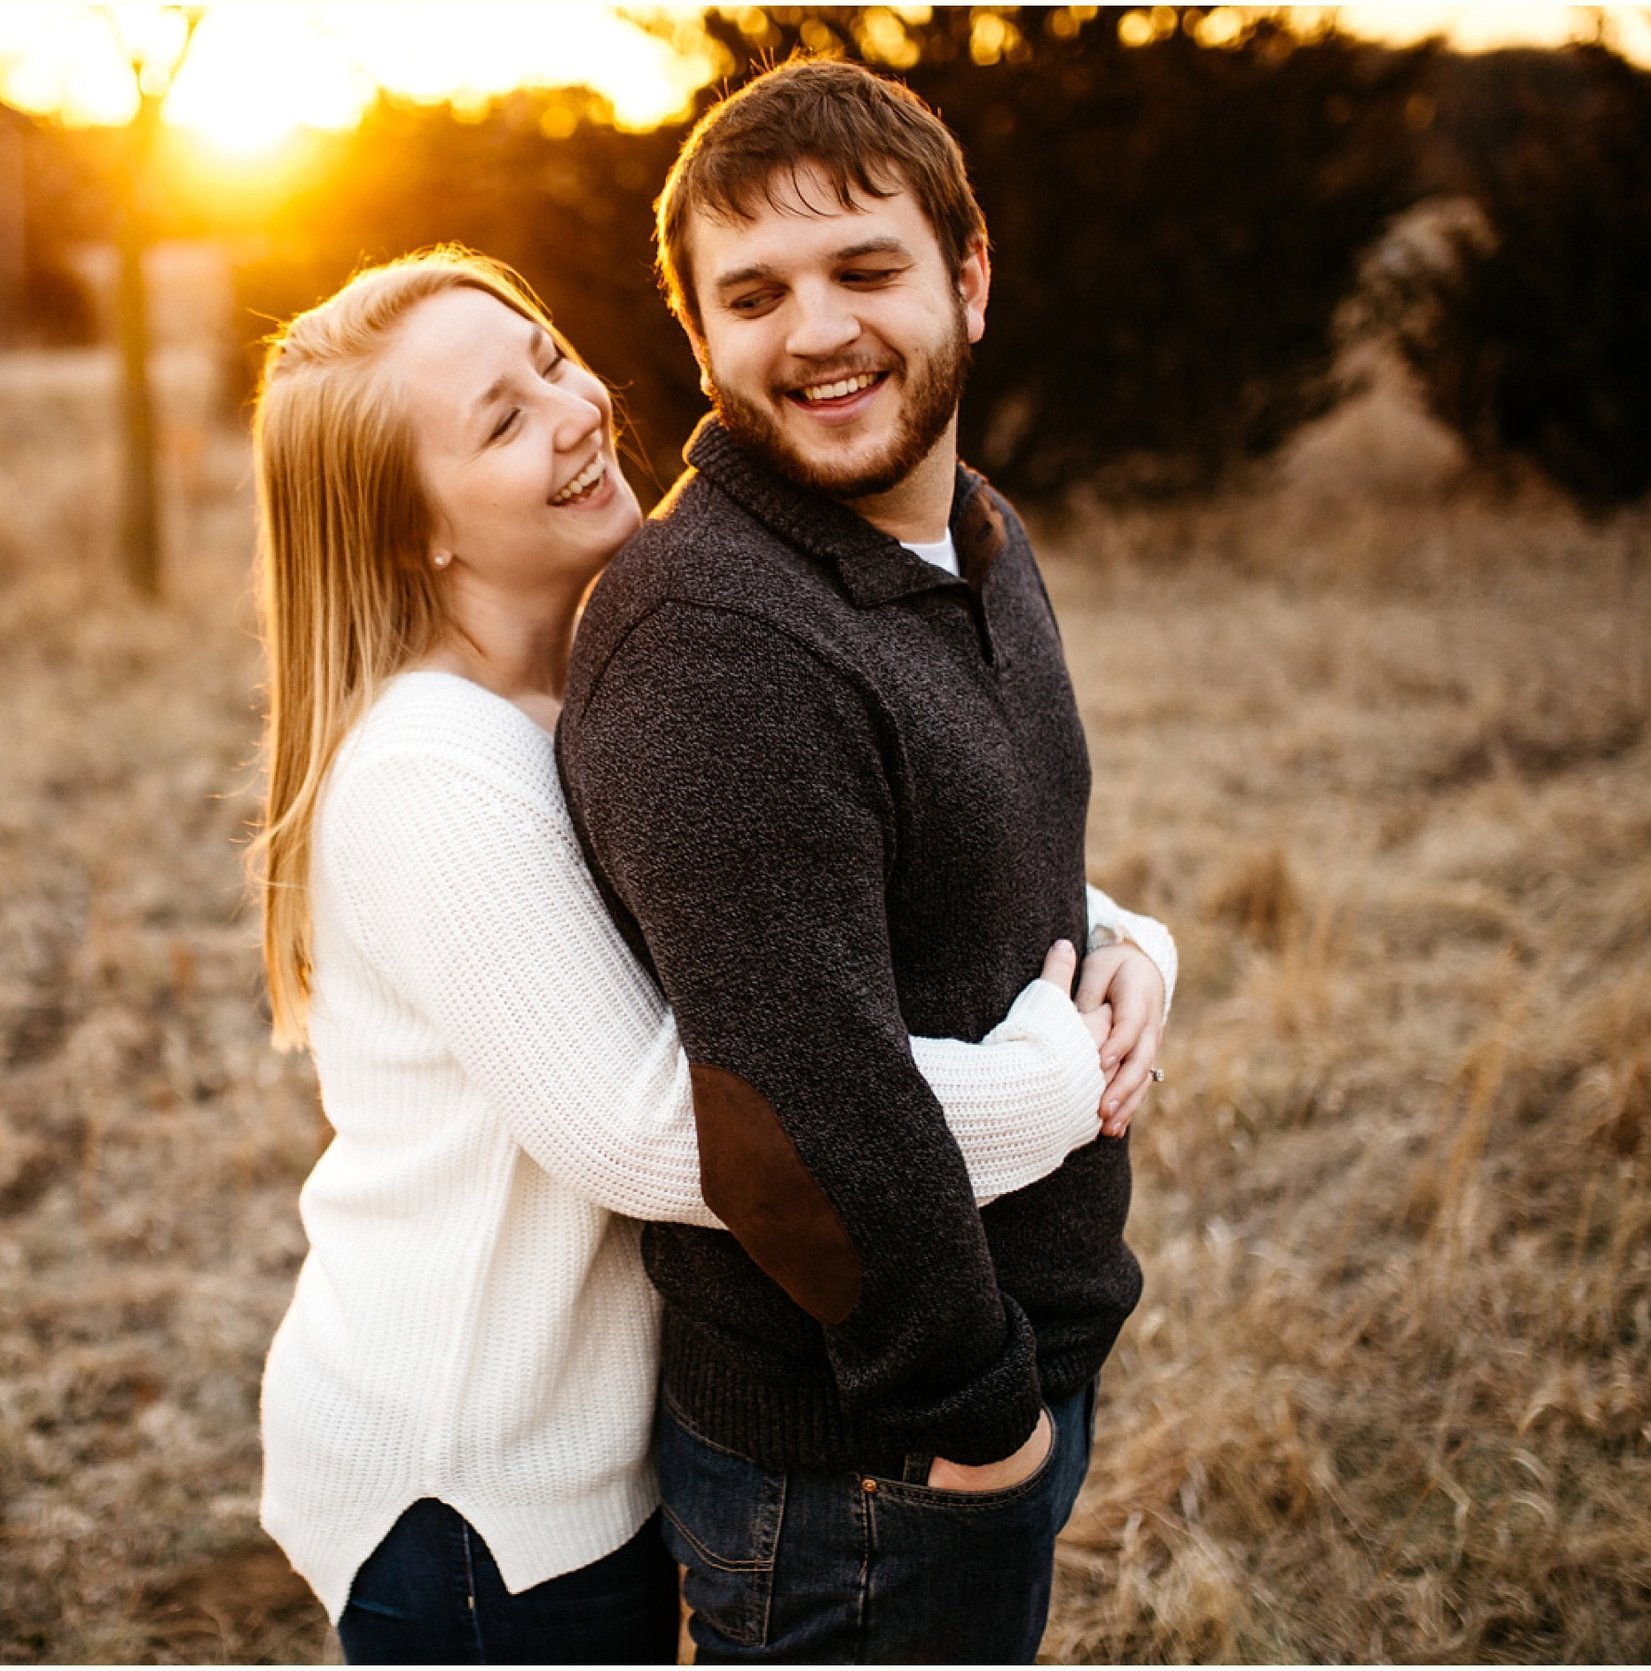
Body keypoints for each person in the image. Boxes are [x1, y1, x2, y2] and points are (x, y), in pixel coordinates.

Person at [247, 247, 1177, 1663]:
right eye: (500, 421)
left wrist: (1119, 940)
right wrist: (1057, 1084)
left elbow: (822, 897)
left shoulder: (594, 680)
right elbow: (651, 1132)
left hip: (587, 1449)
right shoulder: (437, 771)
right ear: (409, 534)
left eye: (549, 359)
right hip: (477, 1482)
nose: (574, 410)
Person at [555, 58, 1176, 1664]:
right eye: (753, 293)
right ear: (701, 339)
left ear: (969, 277)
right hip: (870, 1462)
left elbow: (986, 873)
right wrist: (978, 1427)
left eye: (866, 269)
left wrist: (1133, 949)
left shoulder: (973, 531)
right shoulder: (713, 637)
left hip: (1005, 1369)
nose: (816, 330)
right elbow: (781, 1111)